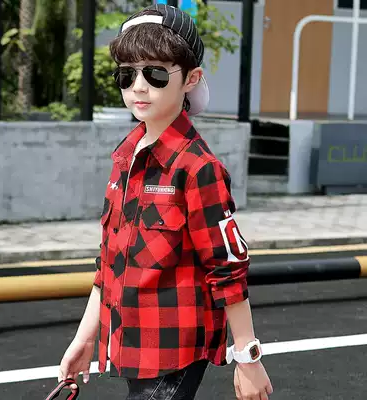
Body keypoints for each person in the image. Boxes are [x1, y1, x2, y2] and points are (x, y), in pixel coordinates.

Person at [58, 4, 273, 400]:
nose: (138, 87)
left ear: (191, 79)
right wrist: (85, 338)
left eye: (155, 74)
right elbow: (109, 263)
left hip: (174, 354)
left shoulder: (198, 168)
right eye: (126, 75)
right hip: (130, 346)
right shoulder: (125, 158)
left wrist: (248, 357)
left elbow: (227, 268)